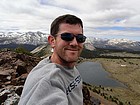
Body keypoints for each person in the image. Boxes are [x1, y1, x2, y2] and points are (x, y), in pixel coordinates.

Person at [18, 14, 86, 105]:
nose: (74, 43)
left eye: (80, 38)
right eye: (67, 36)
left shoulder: (67, 65)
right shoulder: (47, 81)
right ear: (52, 41)